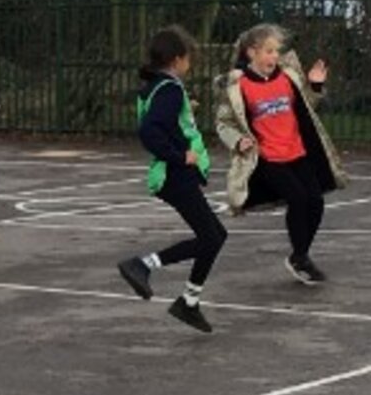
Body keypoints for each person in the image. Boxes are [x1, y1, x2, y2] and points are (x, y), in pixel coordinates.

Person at [215, 23, 348, 284]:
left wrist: (315, 85)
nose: (274, 56)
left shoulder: (289, 76)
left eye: (277, 51)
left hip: (296, 151)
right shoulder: (237, 86)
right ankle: (301, 257)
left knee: (316, 201)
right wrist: (238, 140)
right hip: (267, 157)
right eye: (268, 51)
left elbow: (308, 104)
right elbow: (223, 122)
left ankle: (300, 256)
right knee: (298, 199)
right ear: (252, 52)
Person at [117, 26, 226, 332]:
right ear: (178, 59)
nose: (190, 65)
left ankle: (189, 301)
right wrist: (180, 156)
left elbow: (160, 120)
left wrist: (183, 112)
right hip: (175, 175)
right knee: (212, 237)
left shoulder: (156, 87)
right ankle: (144, 265)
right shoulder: (169, 89)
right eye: (189, 58)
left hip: (175, 175)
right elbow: (150, 130)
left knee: (215, 237)